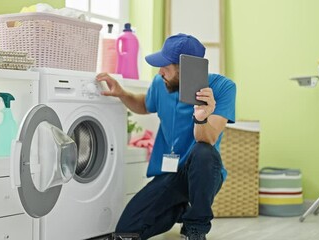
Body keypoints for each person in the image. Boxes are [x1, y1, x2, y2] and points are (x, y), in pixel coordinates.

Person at [96, 33, 236, 240]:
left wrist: (201, 116)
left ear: (187, 70)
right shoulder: (160, 84)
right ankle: (180, 209)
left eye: (166, 66)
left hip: (203, 173)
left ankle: (196, 228)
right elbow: (145, 104)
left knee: (203, 153)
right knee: (126, 231)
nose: (160, 71)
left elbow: (207, 140)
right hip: (170, 174)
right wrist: (122, 93)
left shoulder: (223, 87)